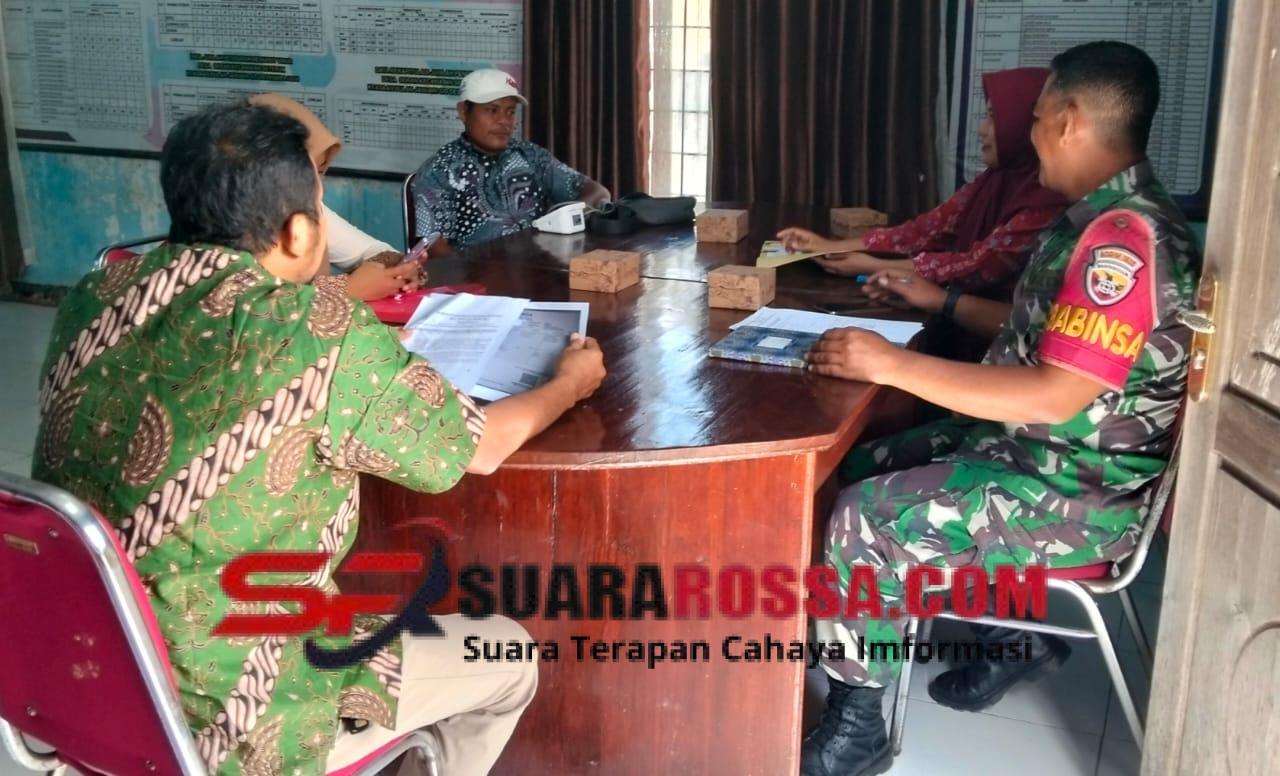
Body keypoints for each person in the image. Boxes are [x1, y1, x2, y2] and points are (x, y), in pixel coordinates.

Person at [33, 102, 606, 775]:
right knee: (506, 652)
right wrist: (569, 383)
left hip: (85, 678)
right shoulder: (317, 333)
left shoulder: (93, 294)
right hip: (233, 717)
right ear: (300, 231)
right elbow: (478, 448)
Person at [799, 42, 1198, 776]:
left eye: (1039, 117)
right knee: (848, 463)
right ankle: (1006, 639)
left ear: (1070, 121)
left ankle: (858, 727)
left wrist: (891, 363)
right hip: (1040, 453)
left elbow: (1055, 391)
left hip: (1076, 493)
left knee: (862, 515)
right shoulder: (1098, 220)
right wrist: (936, 302)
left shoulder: (1123, 242)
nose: (1029, 133)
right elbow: (1043, 337)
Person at [778, 67, 1068, 298]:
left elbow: (978, 265)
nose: (982, 130)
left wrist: (874, 265)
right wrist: (834, 246)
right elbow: (927, 229)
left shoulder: (1047, 197)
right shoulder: (994, 180)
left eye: (993, 118)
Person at [411, 69, 611, 252]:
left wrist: (567, 218)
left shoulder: (530, 155)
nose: (504, 121)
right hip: (477, 275)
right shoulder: (439, 171)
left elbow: (597, 192)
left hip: (542, 267)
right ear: (463, 111)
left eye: (510, 111)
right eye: (492, 110)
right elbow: (434, 249)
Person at [249, 93, 421, 302]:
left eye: (321, 171)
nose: (318, 185)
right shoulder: (226, 225)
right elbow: (254, 305)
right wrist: (346, 289)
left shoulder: (306, 207)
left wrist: (393, 271)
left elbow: (372, 251)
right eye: (308, 172)